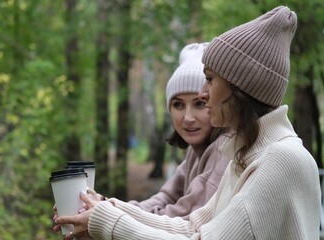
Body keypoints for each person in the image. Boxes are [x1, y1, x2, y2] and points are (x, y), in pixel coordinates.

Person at [55, 6, 321, 240]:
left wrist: (106, 221)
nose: (203, 93)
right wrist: (105, 209)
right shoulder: (246, 155)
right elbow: (190, 226)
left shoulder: (280, 159)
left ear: (240, 88)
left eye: (210, 79)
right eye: (178, 104)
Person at [52, 42, 229, 235]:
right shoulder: (195, 154)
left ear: (215, 103)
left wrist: (105, 214)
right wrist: (101, 205)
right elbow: (164, 198)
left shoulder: (224, 151)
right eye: (178, 105)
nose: (187, 117)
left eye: (200, 104)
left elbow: (181, 218)